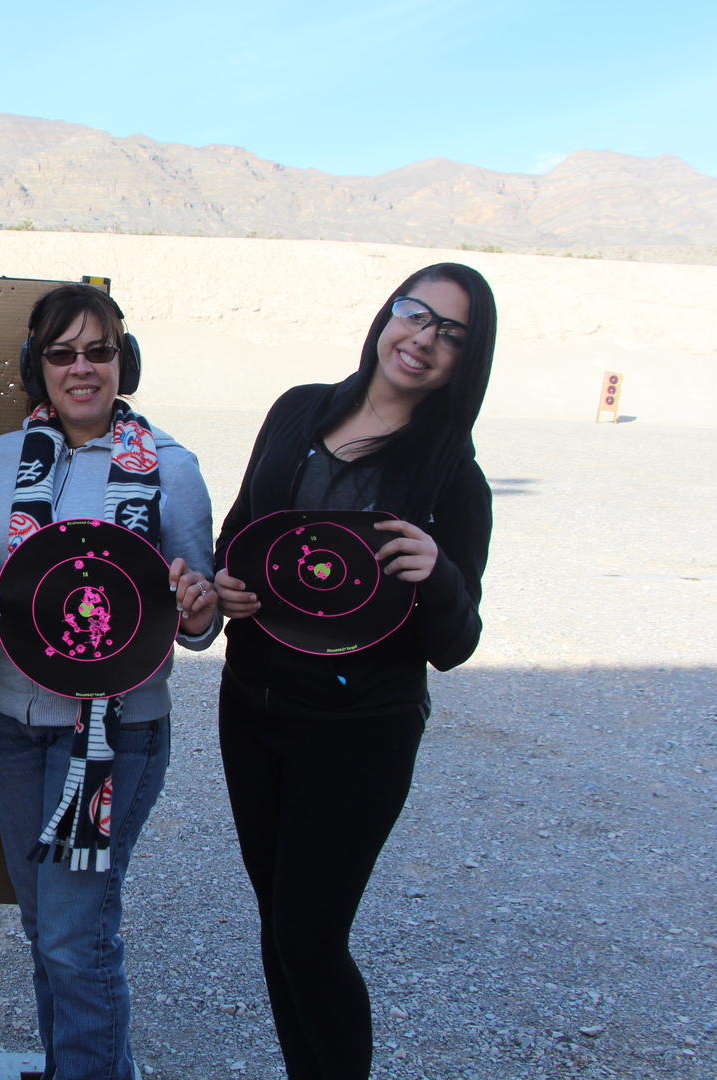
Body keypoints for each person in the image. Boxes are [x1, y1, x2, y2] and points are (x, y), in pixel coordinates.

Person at [210, 263, 496, 1080]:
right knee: (279, 928)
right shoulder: (299, 410)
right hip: (254, 708)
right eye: (417, 315)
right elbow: (243, 534)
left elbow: (456, 641)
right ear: (386, 316)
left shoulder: (451, 477)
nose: (424, 340)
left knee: (310, 934)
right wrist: (230, 584)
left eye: (451, 334)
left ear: (465, 360)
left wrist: (439, 572)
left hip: (360, 732)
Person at [0, 284, 219, 1080]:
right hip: (6, 720)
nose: (81, 368)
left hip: (112, 735)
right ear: (37, 366)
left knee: (77, 937)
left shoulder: (170, 468)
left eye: (98, 351)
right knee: (50, 930)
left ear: (122, 362)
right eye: (61, 353)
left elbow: (200, 619)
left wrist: (200, 605)